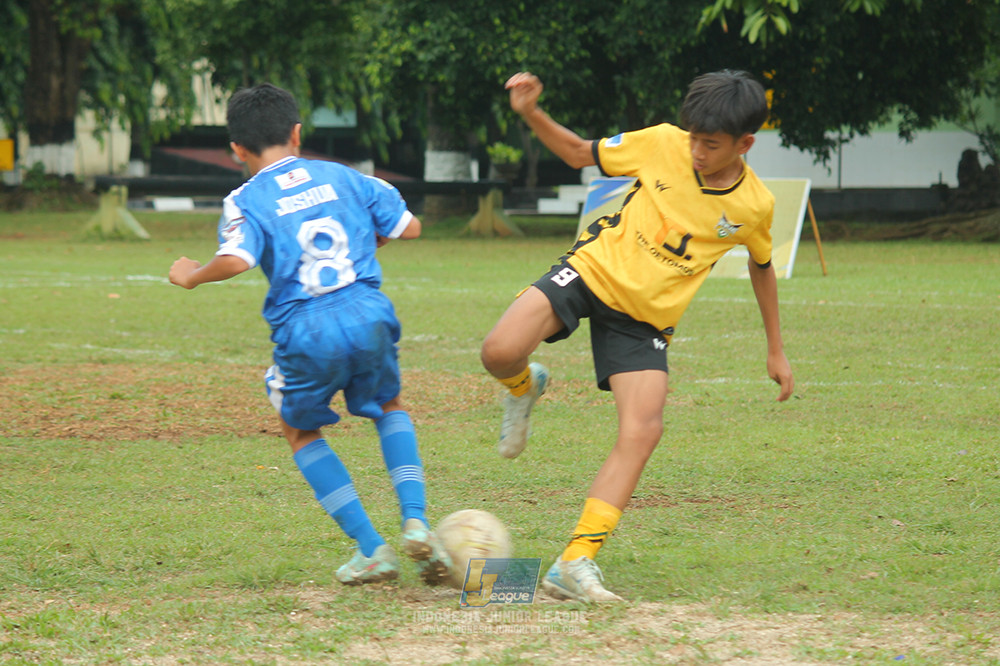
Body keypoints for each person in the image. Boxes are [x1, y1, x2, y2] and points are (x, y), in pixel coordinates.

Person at [481, 71, 795, 603]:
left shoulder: (754, 205)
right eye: (693, 137)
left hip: (645, 320)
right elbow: (581, 154)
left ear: (745, 144)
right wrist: (531, 112)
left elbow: (763, 265)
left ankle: (575, 561)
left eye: (711, 144)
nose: (696, 150)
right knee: (499, 351)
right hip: (592, 271)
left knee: (644, 429)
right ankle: (522, 386)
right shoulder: (661, 142)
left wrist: (776, 348)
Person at [169, 83, 452, 586]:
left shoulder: (244, 200)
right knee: (390, 405)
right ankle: (416, 520)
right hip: (368, 310)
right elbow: (410, 227)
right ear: (297, 133)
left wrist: (191, 274)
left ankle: (372, 549)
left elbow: (237, 259)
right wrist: (367, 243)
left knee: (298, 427)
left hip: (308, 326)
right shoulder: (345, 176)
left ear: (237, 149)